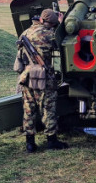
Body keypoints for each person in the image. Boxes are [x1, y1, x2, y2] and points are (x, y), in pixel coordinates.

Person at [15, 8, 68, 153]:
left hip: (27, 76)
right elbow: (62, 45)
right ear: (52, 23)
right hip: (45, 76)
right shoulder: (50, 35)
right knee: (48, 108)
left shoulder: (25, 33)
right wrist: (61, 25)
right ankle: (51, 140)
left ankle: (30, 143)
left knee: (29, 109)